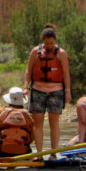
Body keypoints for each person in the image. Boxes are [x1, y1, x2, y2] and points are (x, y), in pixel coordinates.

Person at [24, 25, 70, 154]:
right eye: (47, 43)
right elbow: (28, 70)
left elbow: (66, 73)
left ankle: (53, 153)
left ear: (55, 40)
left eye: (51, 43)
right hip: (37, 90)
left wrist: (68, 92)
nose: (49, 45)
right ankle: (39, 153)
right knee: (37, 123)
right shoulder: (35, 52)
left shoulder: (61, 53)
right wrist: (25, 87)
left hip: (56, 91)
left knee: (53, 123)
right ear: (42, 41)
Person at [0, 86, 36, 157]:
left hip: (3, 152)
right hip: (23, 152)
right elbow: (32, 137)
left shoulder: (0, 112)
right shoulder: (28, 115)